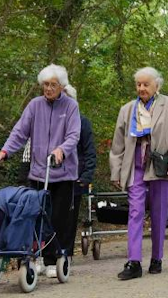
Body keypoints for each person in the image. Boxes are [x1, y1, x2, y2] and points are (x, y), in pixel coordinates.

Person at [0, 64, 80, 278]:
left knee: (57, 218)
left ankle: (53, 260)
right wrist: (5, 151)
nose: (48, 89)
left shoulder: (70, 107)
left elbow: (73, 135)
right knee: (36, 216)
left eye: (52, 85)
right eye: (45, 85)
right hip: (38, 172)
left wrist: (61, 150)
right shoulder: (34, 105)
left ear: (61, 86)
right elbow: (20, 132)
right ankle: (38, 257)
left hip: (63, 174)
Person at [110, 67, 168, 279]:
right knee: (135, 212)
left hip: (159, 165)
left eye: (146, 84)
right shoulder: (127, 109)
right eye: (138, 84)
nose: (141, 88)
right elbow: (117, 144)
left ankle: (156, 258)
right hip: (135, 166)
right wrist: (116, 171)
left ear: (156, 86)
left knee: (160, 212)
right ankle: (134, 262)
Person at [64, 86, 97, 258]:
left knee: (70, 218)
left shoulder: (82, 122)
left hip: (75, 177)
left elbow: (89, 150)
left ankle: (66, 255)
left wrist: (86, 175)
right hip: (54, 176)